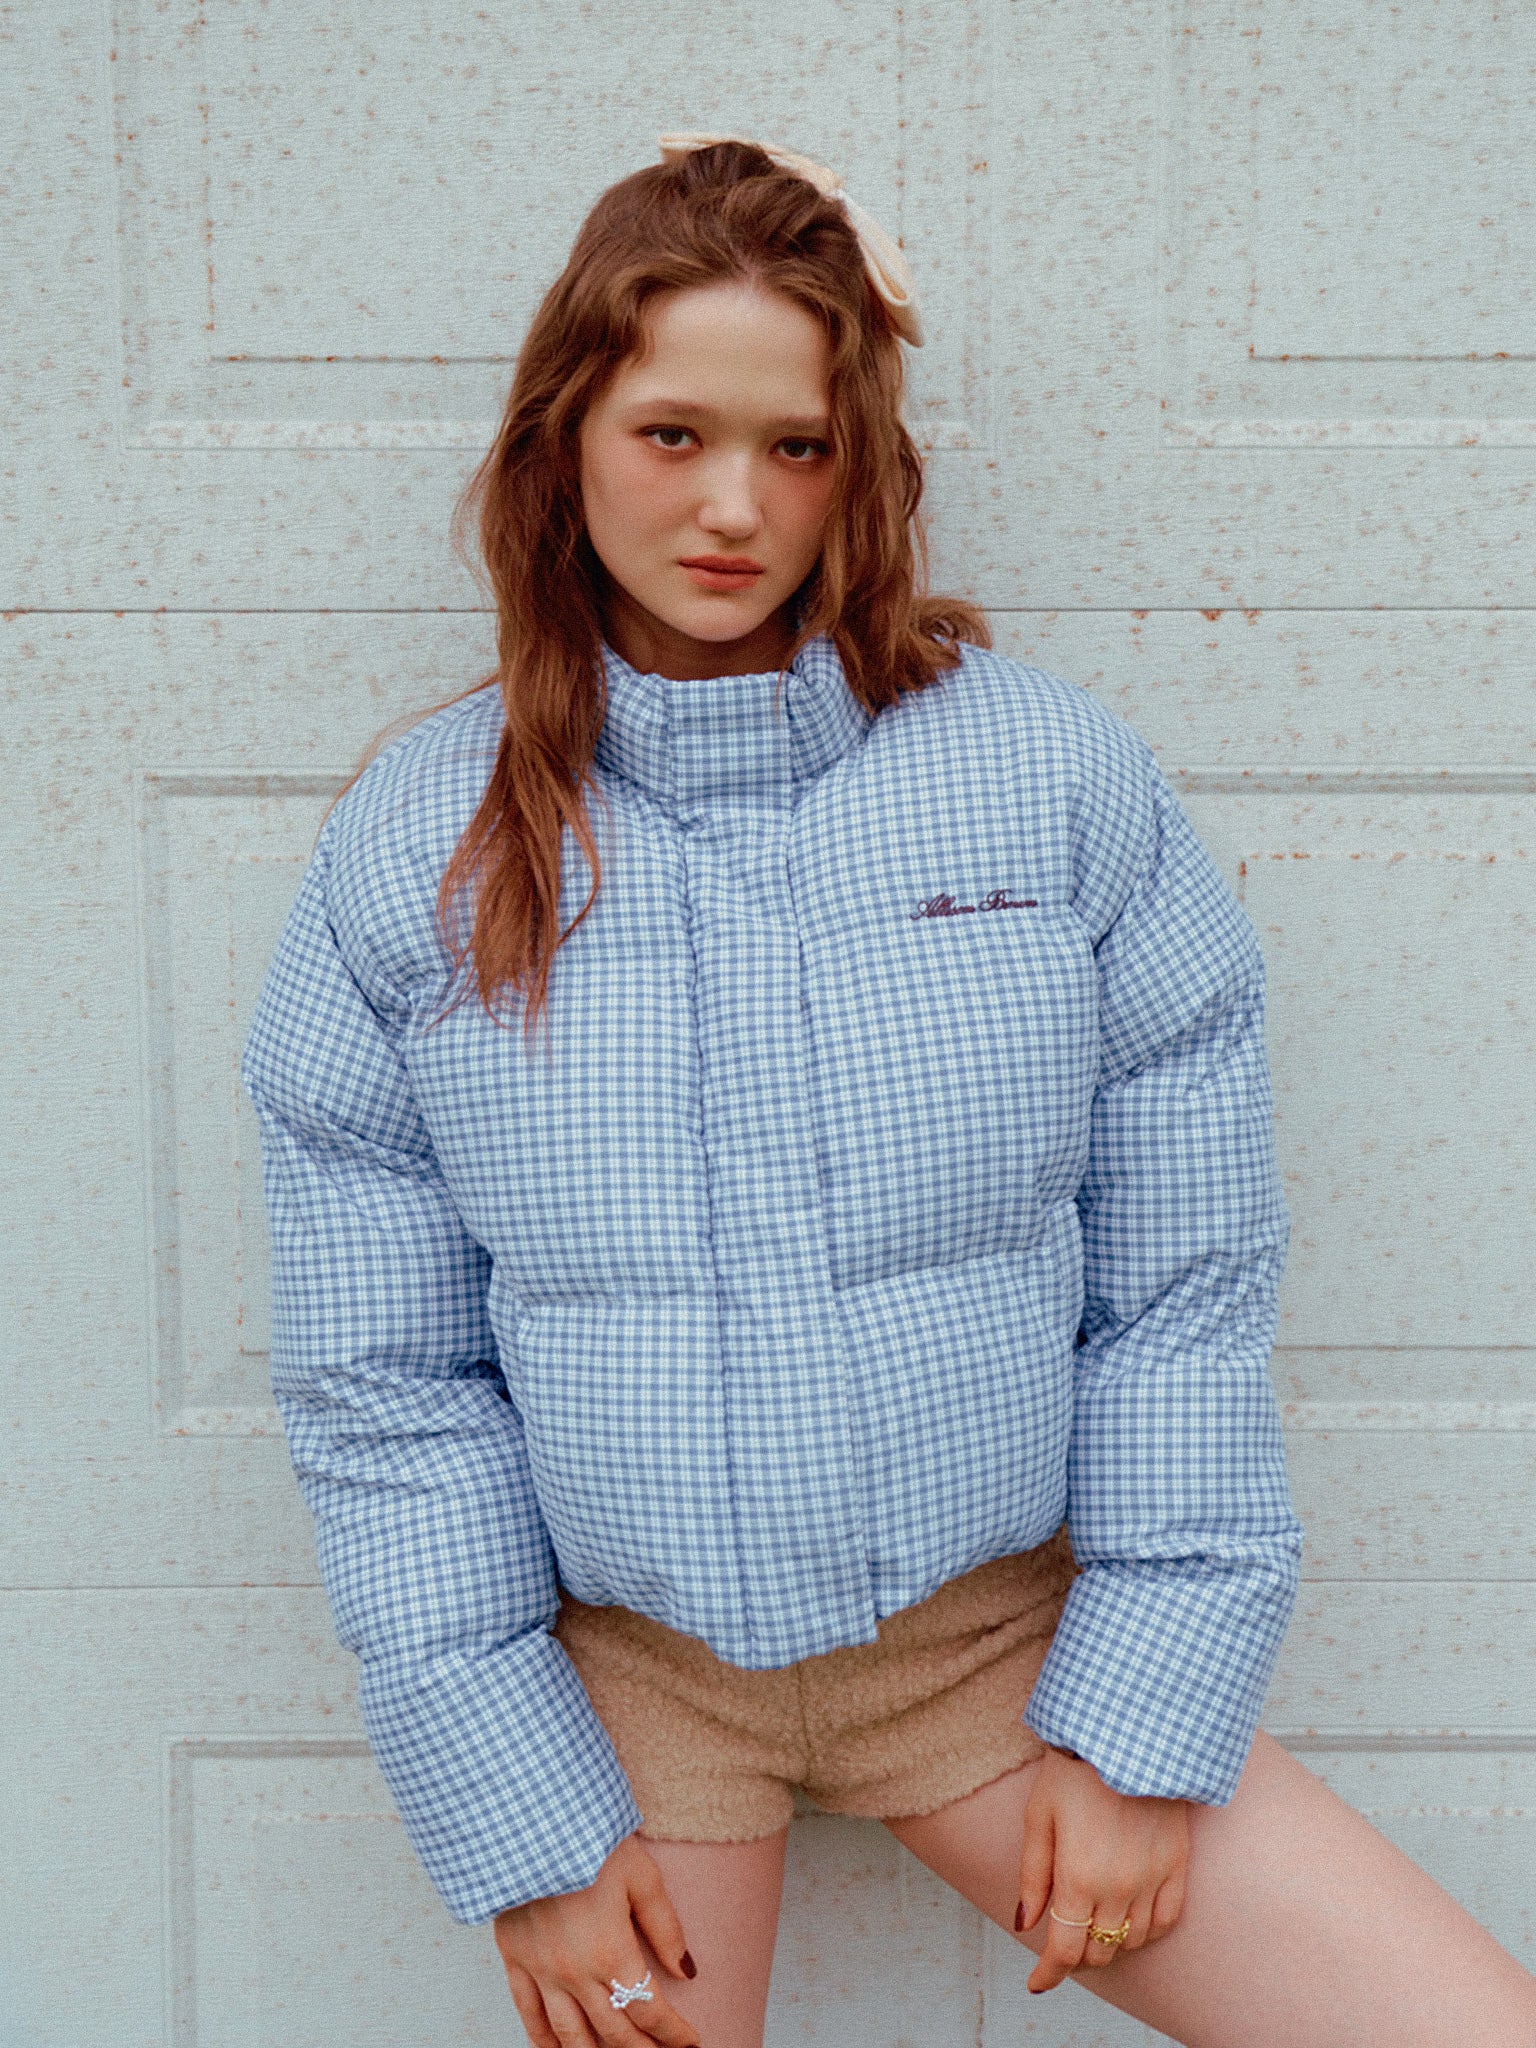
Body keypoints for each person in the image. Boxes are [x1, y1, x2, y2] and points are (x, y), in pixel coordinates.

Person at [240, 136, 1536, 2048]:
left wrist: (1141, 1724)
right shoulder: (414, 847)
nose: (734, 508)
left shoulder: (1049, 783)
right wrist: (521, 1818)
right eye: (673, 435)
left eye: (801, 445)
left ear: (865, 463)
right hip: (629, 1699)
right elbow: (384, 1386)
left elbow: (1181, 1288)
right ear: (564, 440)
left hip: (995, 1651)